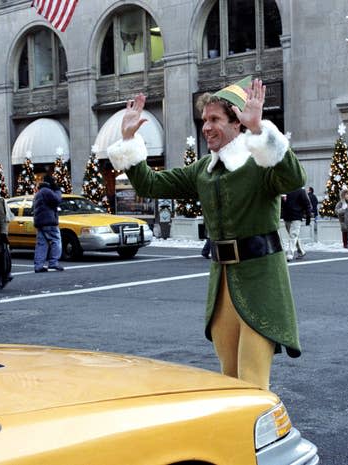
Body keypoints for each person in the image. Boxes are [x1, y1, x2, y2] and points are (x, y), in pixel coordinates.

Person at [106, 77, 305, 390]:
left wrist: (259, 130)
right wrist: (129, 139)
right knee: (228, 377)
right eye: (204, 120)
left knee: (252, 382)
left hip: (262, 283)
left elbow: (294, 177)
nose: (206, 127)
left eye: (215, 119)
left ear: (236, 123)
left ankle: (260, 438)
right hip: (222, 284)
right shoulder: (203, 170)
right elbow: (151, 185)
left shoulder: (259, 164)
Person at [33, 175, 64, 272]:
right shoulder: (47, 191)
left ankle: (38, 265)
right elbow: (57, 200)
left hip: (40, 222)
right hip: (49, 221)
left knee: (42, 244)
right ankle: (53, 263)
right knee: (56, 241)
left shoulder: (39, 193)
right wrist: (58, 191)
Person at [281, 187, 311, 260]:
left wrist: (308, 216)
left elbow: (307, 204)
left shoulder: (300, 191)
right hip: (287, 216)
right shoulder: (285, 190)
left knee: (293, 235)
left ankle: (290, 254)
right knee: (293, 235)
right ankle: (301, 251)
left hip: (296, 216)